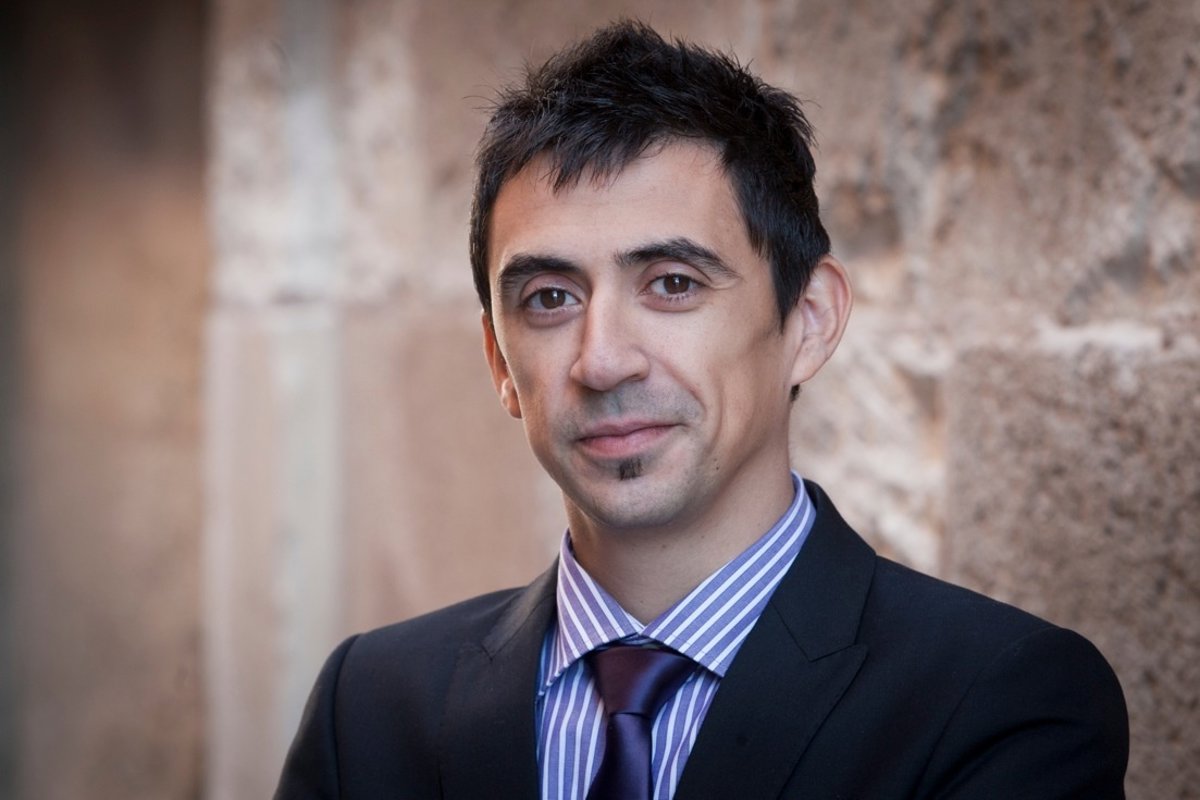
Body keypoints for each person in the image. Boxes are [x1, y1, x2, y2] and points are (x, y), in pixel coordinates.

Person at [274, 20, 1128, 800]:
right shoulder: (369, 708)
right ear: (500, 361)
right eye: (549, 298)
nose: (602, 359)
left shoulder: (998, 703)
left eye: (673, 284)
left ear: (810, 321)